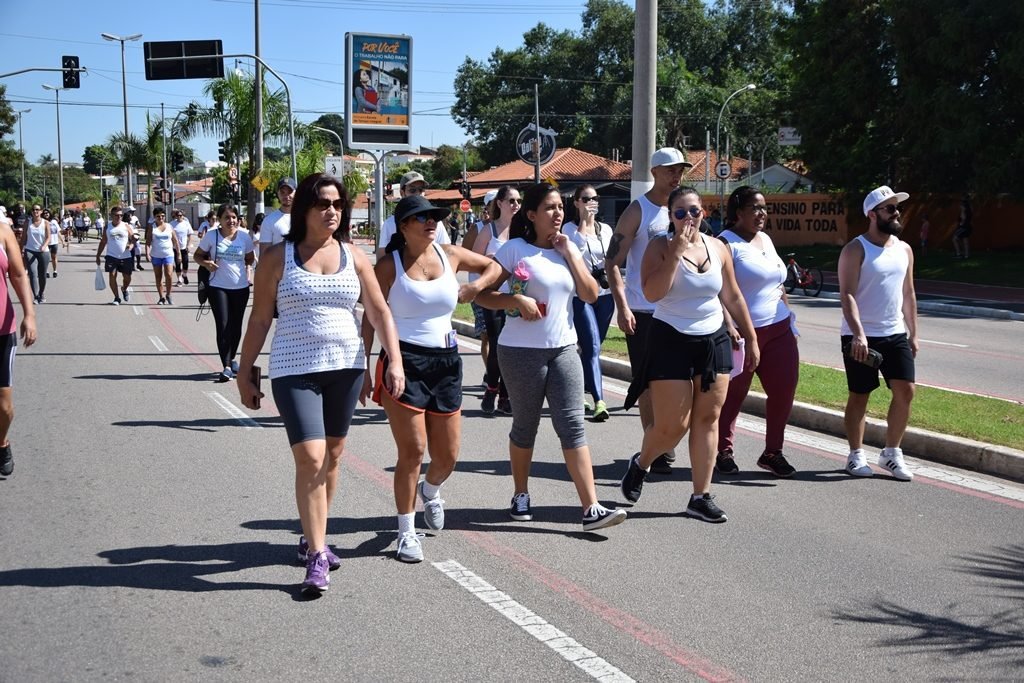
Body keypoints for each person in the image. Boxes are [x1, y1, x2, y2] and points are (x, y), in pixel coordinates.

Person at [235, 173, 405, 595]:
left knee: (332, 456)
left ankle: (315, 536)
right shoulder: (279, 256)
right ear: (304, 209)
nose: (332, 211)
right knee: (311, 459)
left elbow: (380, 312)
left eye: (338, 204)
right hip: (295, 369)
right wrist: (244, 370)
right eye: (323, 204)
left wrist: (392, 362)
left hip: (345, 368)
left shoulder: (354, 255)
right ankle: (315, 556)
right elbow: (259, 319)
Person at [476, 183, 628, 533]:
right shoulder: (515, 250)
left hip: (563, 349)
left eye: (561, 207)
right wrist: (515, 301)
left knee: (572, 425)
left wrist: (571, 254)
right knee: (525, 426)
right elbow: (484, 295)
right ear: (531, 215)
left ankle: (591, 508)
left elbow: (591, 295)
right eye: (549, 208)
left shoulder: (568, 248)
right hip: (519, 353)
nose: (558, 213)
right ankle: (520, 494)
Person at [365, 194, 502, 562]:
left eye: (433, 217)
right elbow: (372, 317)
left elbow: (494, 267)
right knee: (412, 452)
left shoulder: (451, 253)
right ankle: (406, 532)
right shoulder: (388, 267)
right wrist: (366, 364)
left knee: (448, 455)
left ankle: (431, 489)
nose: (430, 222)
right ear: (403, 226)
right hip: (403, 361)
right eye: (421, 217)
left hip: (447, 362)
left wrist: (474, 288)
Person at [619, 187, 759, 523]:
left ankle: (700, 496)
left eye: (694, 211)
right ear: (670, 216)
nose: (688, 219)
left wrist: (751, 337)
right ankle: (641, 464)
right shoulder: (658, 247)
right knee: (672, 427)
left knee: (708, 419)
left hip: (712, 339)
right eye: (680, 213)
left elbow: (733, 295)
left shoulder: (718, 248)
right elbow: (653, 293)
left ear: (703, 213)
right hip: (671, 338)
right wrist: (676, 251)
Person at [605, 147, 692, 474]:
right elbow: (612, 262)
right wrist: (622, 305)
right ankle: (654, 447)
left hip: (681, 310)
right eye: (670, 170)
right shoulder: (637, 211)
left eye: (680, 170)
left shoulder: (685, 209)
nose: (676, 175)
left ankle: (664, 439)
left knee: (681, 383)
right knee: (648, 383)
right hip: (643, 310)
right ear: (654, 172)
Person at [715, 186, 800, 477]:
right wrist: (728, 325)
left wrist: (791, 318)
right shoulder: (724, 243)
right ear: (738, 212)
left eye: (764, 208)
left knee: (783, 391)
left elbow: (777, 283)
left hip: (779, 330)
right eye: (755, 208)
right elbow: (718, 290)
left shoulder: (765, 239)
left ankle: (772, 452)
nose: (761, 213)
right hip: (741, 333)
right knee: (733, 396)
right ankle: (723, 451)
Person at [839, 186, 918, 482]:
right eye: (889, 208)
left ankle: (891, 453)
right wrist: (858, 334)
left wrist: (913, 333)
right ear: (872, 215)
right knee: (860, 394)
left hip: (894, 332)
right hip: (860, 335)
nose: (896, 213)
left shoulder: (904, 249)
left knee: (906, 391)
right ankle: (855, 455)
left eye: (897, 208)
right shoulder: (855, 249)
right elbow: (847, 295)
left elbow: (908, 293)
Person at [562, 185, 614, 421]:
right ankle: (599, 401)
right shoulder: (569, 230)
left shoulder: (606, 230)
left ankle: (578, 392)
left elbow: (612, 259)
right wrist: (584, 221)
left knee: (593, 346)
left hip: (605, 295)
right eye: (585, 199)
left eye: (594, 199)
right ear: (576, 202)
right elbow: (574, 251)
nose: (591, 202)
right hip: (581, 296)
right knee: (591, 346)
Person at [194, 204, 256, 382]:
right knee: (223, 325)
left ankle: (232, 358)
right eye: (226, 217)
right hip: (217, 287)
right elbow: (198, 256)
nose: (231, 221)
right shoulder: (212, 236)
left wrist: (246, 267)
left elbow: (250, 257)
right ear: (219, 220)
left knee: (236, 327)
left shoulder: (244, 237)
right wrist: (207, 264)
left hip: (241, 288)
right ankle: (227, 366)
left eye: (234, 217)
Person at [473, 185, 520, 414]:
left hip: (516, 295)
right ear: (499, 203)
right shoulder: (488, 231)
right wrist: (490, 261)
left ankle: (504, 394)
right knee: (497, 343)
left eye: (518, 201)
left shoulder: (522, 231)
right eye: (511, 201)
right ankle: (494, 389)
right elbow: (472, 260)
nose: (515, 205)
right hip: (492, 294)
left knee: (511, 346)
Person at [0, 211, 38, 477]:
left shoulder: (2, 232)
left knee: (4, 406)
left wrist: (30, 315)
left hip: (2, 329)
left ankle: (1, 442)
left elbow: (18, 274)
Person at [461, 189, 497, 371]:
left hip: (505, 291)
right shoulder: (477, 228)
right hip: (481, 290)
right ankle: (491, 376)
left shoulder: (512, 228)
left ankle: (498, 376)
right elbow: (463, 258)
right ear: (487, 207)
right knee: (487, 335)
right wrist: (486, 265)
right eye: (494, 204)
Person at [375, 172, 450, 260]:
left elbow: (447, 252)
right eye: (412, 190)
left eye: (421, 190)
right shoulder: (390, 223)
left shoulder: (435, 221)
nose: (418, 194)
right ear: (402, 193)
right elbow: (382, 258)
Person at [95, 207, 137, 305]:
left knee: (127, 278)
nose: (119, 217)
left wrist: (131, 245)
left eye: (121, 215)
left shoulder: (126, 226)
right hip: (111, 256)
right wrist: (98, 255)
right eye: (117, 215)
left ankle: (124, 288)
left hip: (125, 256)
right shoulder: (107, 227)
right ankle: (116, 298)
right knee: (112, 276)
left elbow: (133, 238)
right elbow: (103, 241)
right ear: (112, 216)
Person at [147, 207, 181, 305]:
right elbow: (148, 242)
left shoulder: (169, 226)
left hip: (168, 255)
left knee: (169, 275)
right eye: (158, 216)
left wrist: (178, 254)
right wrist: (147, 253)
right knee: (158, 277)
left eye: (162, 216)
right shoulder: (152, 227)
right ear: (154, 217)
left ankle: (169, 294)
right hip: (156, 255)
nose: (161, 218)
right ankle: (161, 297)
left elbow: (175, 241)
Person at [19, 204, 50, 304]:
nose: (35, 211)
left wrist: (44, 245)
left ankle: (41, 293)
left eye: (37, 209)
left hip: (43, 251)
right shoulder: (27, 222)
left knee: (42, 275)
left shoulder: (45, 223)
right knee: (32, 273)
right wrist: (20, 250)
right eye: (33, 210)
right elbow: (23, 237)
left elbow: (48, 237)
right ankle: (36, 296)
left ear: (41, 211)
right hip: (30, 250)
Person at [258, 177, 295, 258]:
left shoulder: (305, 217)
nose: (286, 196)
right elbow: (264, 254)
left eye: (290, 192)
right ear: (278, 194)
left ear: (296, 193)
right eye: (282, 192)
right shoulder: (269, 221)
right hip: (279, 268)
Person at [170, 209, 194, 286]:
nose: (179, 217)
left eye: (181, 215)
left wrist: (189, 245)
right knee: (177, 264)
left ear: (183, 216)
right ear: (175, 216)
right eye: (178, 215)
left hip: (184, 247)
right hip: (175, 248)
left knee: (185, 263)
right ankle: (179, 279)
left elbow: (190, 235)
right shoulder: (172, 224)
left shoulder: (186, 224)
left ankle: (184, 275)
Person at [44, 209, 65, 278]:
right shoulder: (42, 222)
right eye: (45, 213)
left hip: (54, 242)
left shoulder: (54, 222)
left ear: (50, 214)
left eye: (47, 213)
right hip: (46, 243)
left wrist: (62, 241)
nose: (46, 214)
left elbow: (58, 232)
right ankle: (46, 271)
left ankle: (55, 271)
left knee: (54, 257)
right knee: (46, 258)